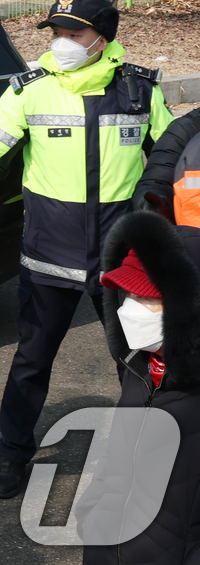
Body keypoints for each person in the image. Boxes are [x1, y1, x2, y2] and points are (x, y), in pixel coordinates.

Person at [0, 0, 172, 498]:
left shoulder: (138, 88)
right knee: (32, 360)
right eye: (56, 33)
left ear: (102, 39)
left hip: (121, 259)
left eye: (73, 34)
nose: (60, 43)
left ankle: (149, 454)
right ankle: (12, 455)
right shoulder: (31, 90)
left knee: (136, 359)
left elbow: (174, 153)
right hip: (49, 257)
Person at [78, 210, 200, 563]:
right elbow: (118, 456)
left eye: (145, 298)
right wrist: (92, 512)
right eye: (126, 295)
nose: (130, 309)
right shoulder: (140, 370)